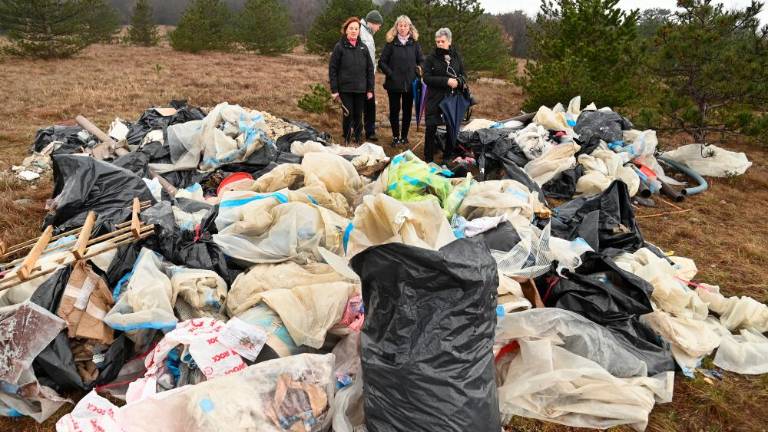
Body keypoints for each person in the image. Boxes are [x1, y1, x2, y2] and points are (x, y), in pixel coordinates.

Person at [379, 15, 424, 147]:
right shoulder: (391, 43)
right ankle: (395, 137)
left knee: (407, 111)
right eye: (400, 25)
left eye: (405, 26)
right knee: (394, 110)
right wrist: (391, 74)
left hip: (410, 84)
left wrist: (419, 69)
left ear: (409, 27)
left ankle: (404, 137)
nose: (403, 28)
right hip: (393, 84)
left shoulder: (414, 44)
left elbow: (421, 60)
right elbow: (382, 62)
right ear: (396, 27)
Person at [422, 27, 466, 164]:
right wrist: (446, 81)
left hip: (452, 99)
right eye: (437, 41)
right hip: (435, 98)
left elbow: (464, 76)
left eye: (442, 41)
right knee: (431, 128)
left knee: (451, 128)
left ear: (449, 41)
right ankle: (428, 158)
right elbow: (426, 78)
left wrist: (458, 81)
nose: (440, 44)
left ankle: (447, 156)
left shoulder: (456, 56)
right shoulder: (430, 58)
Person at [329, 17, 375, 145]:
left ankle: (358, 139)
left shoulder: (363, 48)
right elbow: (332, 69)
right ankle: (347, 139)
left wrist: (370, 89)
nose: (354, 31)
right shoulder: (339, 47)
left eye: (356, 29)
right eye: (351, 28)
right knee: (348, 114)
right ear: (346, 30)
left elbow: (370, 70)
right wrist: (334, 90)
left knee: (358, 116)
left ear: (359, 31)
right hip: (345, 89)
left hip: (361, 89)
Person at [360, 10, 383, 142]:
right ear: (372, 23)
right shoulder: (360, 31)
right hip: (361, 76)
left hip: (369, 76)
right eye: (378, 25)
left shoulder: (368, 33)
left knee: (370, 104)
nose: (379, 28)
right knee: (359, 104)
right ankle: (356, 130)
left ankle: (370, 131)